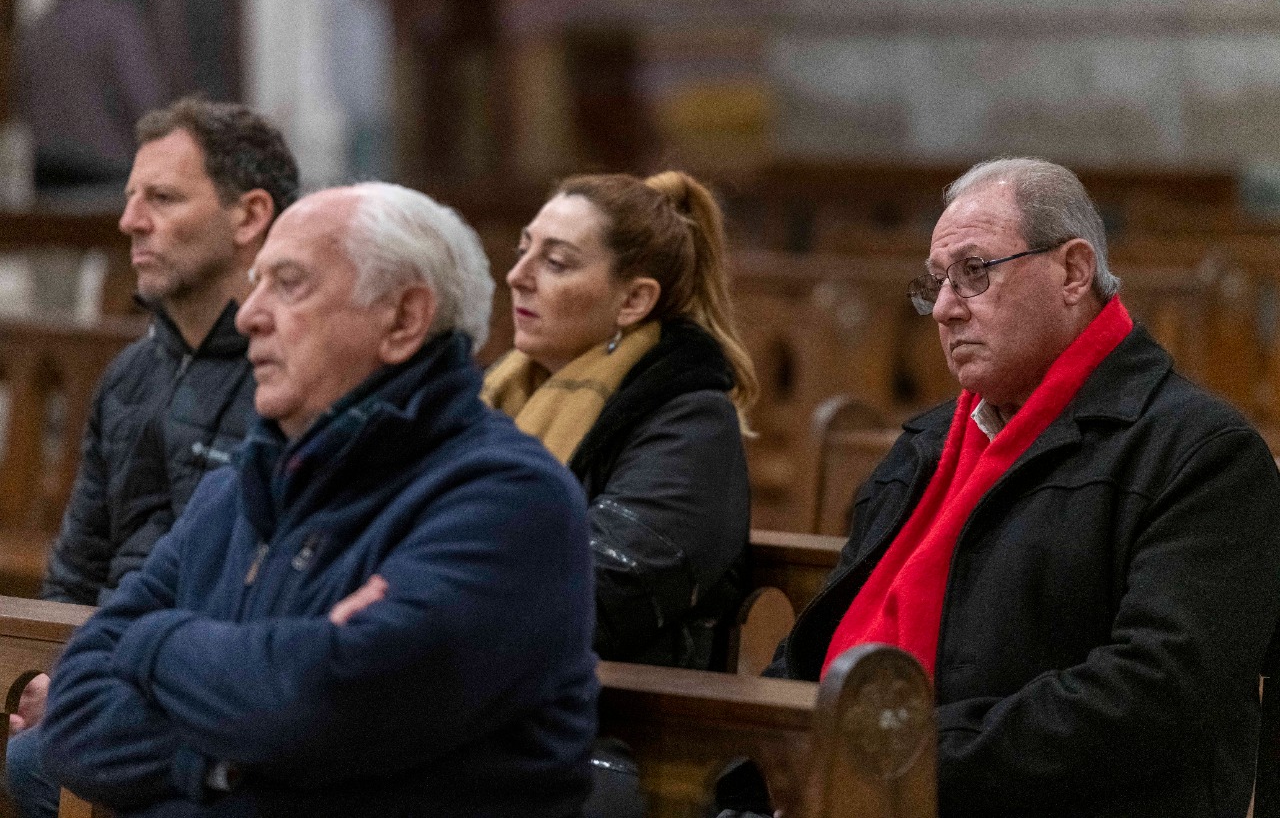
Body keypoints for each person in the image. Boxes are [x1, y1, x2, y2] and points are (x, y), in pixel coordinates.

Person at [732, 157, 1280, 818]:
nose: (943, 309)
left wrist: (895, 763)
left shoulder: (1203, 454)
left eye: (975, 272)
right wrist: (756, 765)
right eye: (935, 282)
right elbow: (818, 644)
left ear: (1073, 272)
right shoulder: (923, 449)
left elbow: (1152, 697)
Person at [37, 183, 598, 817]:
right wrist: (233, 750)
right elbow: (74, 718)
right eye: (256, 284)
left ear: (403, 320)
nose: (248, 315)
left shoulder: (507, 501)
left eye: (289, 284)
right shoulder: (235, 492)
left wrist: (154, 641)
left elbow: (316, 708)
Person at [4, 97, 297, 818]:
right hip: (107, 673)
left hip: (211, 687)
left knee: (40, 761)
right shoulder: (131, 375)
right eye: (132, 196)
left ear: (249, 216)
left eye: (161, 198)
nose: (130, 220)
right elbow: (77, 564)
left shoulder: (293, 375)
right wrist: (48, 673)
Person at [482, 170, 757, 670]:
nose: (517, 275)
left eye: (555, 262)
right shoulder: (494, 393)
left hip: (621, 704)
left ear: (633, 301)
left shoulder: (691, 423)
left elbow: (599, 591)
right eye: (524, 250)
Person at [17, 0, 169, 191]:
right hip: (105, 177)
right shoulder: (117, 24)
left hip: (47, 177)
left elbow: (22, 106)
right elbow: (147, 106)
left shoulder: (39, 28)